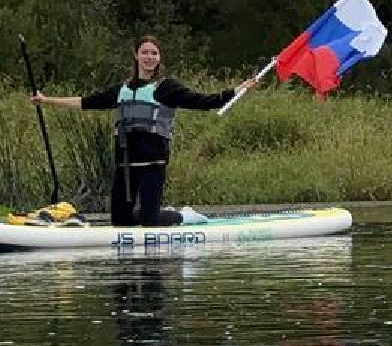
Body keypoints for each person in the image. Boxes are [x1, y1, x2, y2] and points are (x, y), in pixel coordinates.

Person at [32, 36, 243, 226]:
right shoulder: (121, 90)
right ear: (136, 55)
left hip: (153, 163)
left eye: (154, 53)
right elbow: (87, 102)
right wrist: (46, 100)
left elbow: (204, 102)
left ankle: (183, 217)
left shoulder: (166, 87)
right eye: (145, 52)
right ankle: (151, 221)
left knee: (148, 220)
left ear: (159, 57)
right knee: (120, 221)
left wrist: (236, 90)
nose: (149, 57)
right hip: (125, 164)